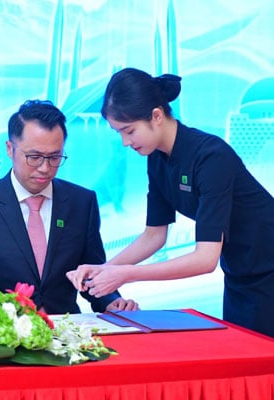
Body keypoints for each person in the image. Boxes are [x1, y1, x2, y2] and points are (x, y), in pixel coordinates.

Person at [67, 67, 274, 337]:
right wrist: (103, 270)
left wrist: (126, 274)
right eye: (119, 133)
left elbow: (205, 259)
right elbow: (154, 236)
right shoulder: (157, 158)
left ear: (156, 116)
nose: (125, 142)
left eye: (129, 131)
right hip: (240, 274)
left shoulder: (211, 156)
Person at [0, 100, 138, 313]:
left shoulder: (81, 202)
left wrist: (111, 301)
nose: (44, 168)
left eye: (54, 157)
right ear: (10, 149)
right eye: (34, 157)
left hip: (66, 326)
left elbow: (91, 273)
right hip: (4, 327)